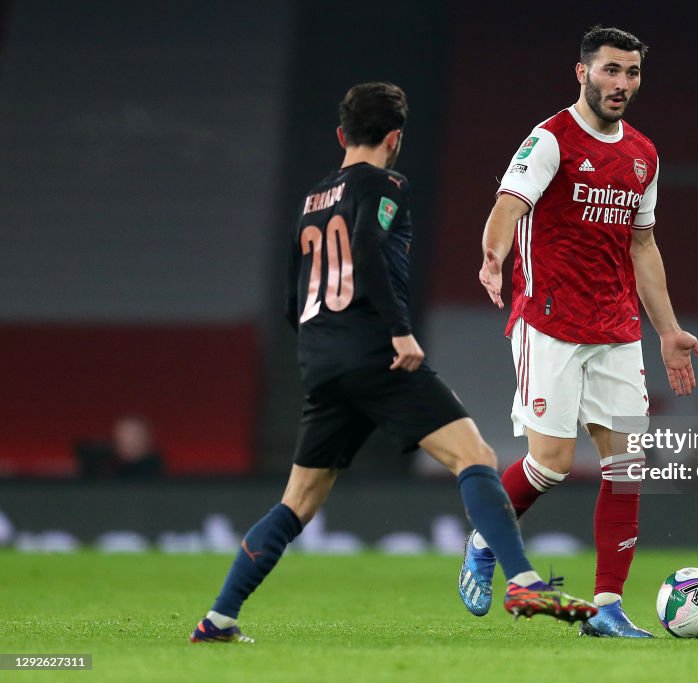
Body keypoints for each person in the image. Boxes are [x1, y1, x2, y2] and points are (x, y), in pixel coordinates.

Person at [191, 82, 596, 643]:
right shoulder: (387, 183)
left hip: (321, 362)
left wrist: (323, 350)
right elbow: (365, 244)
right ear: (395, 139)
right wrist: (398, 332)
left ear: (341, 135)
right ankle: (523, 580)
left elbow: (291, 299)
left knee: (298, 501)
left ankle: (218, 620)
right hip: (377, 353)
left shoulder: (309, 201)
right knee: (473, 455)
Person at [458, 27, 698, 638]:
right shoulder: (550, 140)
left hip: (617, 328)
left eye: (631, 73)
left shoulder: (643, 153)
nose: (621, 84)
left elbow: (642, 244)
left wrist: (668, 330)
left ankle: (606, 607)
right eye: (610, 71)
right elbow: (508, 207)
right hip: (548, 323)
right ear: (582, 73)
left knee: (626, 466)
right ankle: (484, 538)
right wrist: (493, 256)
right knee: (550, 464)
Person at [76, 415, 164, 479]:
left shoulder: (155, 467)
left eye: (135, 435)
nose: (129, 441)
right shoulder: (105, 467)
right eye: (124, 435)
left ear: (147, 439)